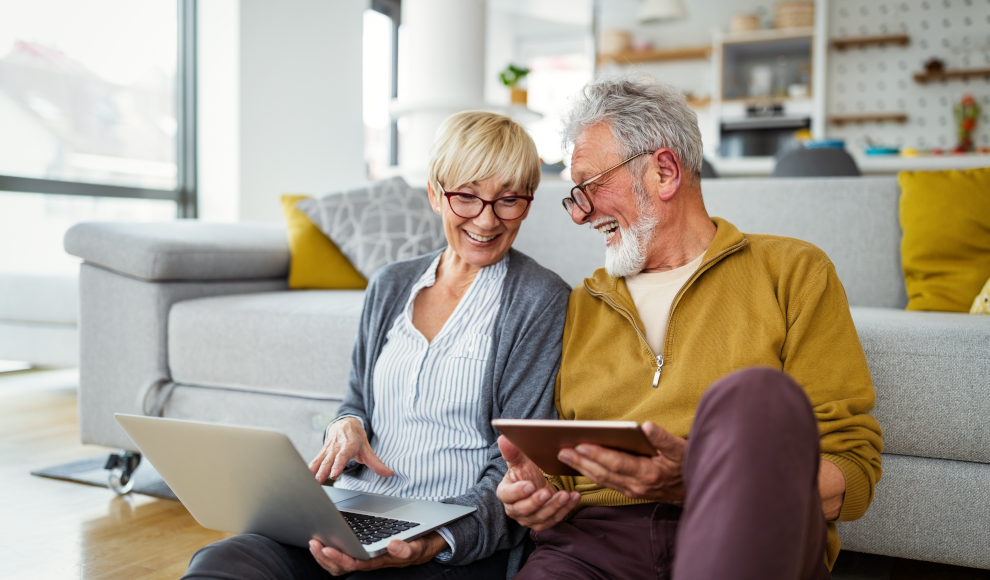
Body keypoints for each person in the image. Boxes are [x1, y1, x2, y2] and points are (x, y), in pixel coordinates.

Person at [496, 74, 884, 580]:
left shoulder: (793, 273)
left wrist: (700, 481)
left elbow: (850, 471)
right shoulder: (581, 303)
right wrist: (532, 497)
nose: (580, 213)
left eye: (591, 185)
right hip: (593, 546)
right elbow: (562, 468)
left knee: (753, 393)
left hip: (742, 525)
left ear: (663, 172)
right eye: (576, 193)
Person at [183, 111, 570, 580]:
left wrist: (429, 543)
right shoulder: (391, 284)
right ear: (435, 194)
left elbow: (515, 464)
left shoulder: (540, 300)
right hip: (349, 513)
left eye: (508, 200)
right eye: (466, 197)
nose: (487, 221)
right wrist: (345, 425)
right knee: (225, 561)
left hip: (449, 535)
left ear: (527, 203)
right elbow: (355, 400)